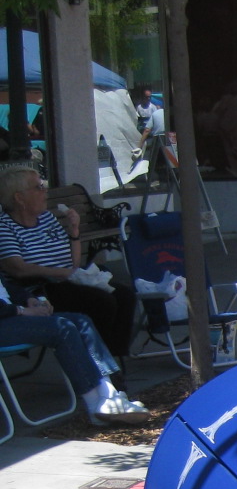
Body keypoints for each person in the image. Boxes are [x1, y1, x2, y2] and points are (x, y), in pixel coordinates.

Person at [0, 167, 137, 365]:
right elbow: (18, 269)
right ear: (19, 198)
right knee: (102, 302)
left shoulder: (47, 218)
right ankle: (99, 363)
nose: (45, 191)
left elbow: (72, 263)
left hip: (67, 281)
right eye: (38, 187)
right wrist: (61, 273)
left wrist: (74, 231)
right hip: (38, 290)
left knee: (124, 295)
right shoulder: (4, 227)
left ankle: (112, 358)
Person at [0, 281, 148, 425]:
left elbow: (6, 285)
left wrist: (30, 299)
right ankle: (94, 407)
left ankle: (110, 395)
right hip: (5, 321)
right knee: (62, 328)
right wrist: (21, 310)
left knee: (81, 321)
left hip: (13, 315)